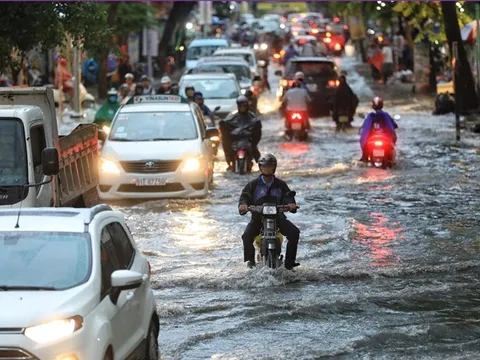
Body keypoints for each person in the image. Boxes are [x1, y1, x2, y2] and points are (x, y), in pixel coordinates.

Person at [238, 154, 300, 270]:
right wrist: (243, 205)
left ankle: (289, 263)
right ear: (260, 168)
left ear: (274, 168)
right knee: (246, 236)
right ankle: (250, 262)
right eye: (265, 167)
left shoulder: (281, 184)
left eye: (270, 167)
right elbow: (244, 197)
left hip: (277, 217)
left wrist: (291, 204)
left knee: (294, 233)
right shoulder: (253, 184)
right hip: (258, 218)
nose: (267, 169)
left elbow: (288, 196)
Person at [219, 96, 262, 170]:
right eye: (241, 106)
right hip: (235, 142)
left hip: (248, 141)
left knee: (255, 150)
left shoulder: (252, 118)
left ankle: (258, 162)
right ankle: (230, 162)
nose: (242, 108)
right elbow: (225, 125)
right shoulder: (232, 118)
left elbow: (257, 132)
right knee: (227, 148)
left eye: (244, 106)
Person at [359, 97, 398, 162]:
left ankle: (365, 159)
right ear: (382, 105)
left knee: (364, 158)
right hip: (385, 139)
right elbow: (392, 127)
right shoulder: (385, 115)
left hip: (372, 140)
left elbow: (365, 129)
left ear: (373, 106)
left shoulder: (370, 116)